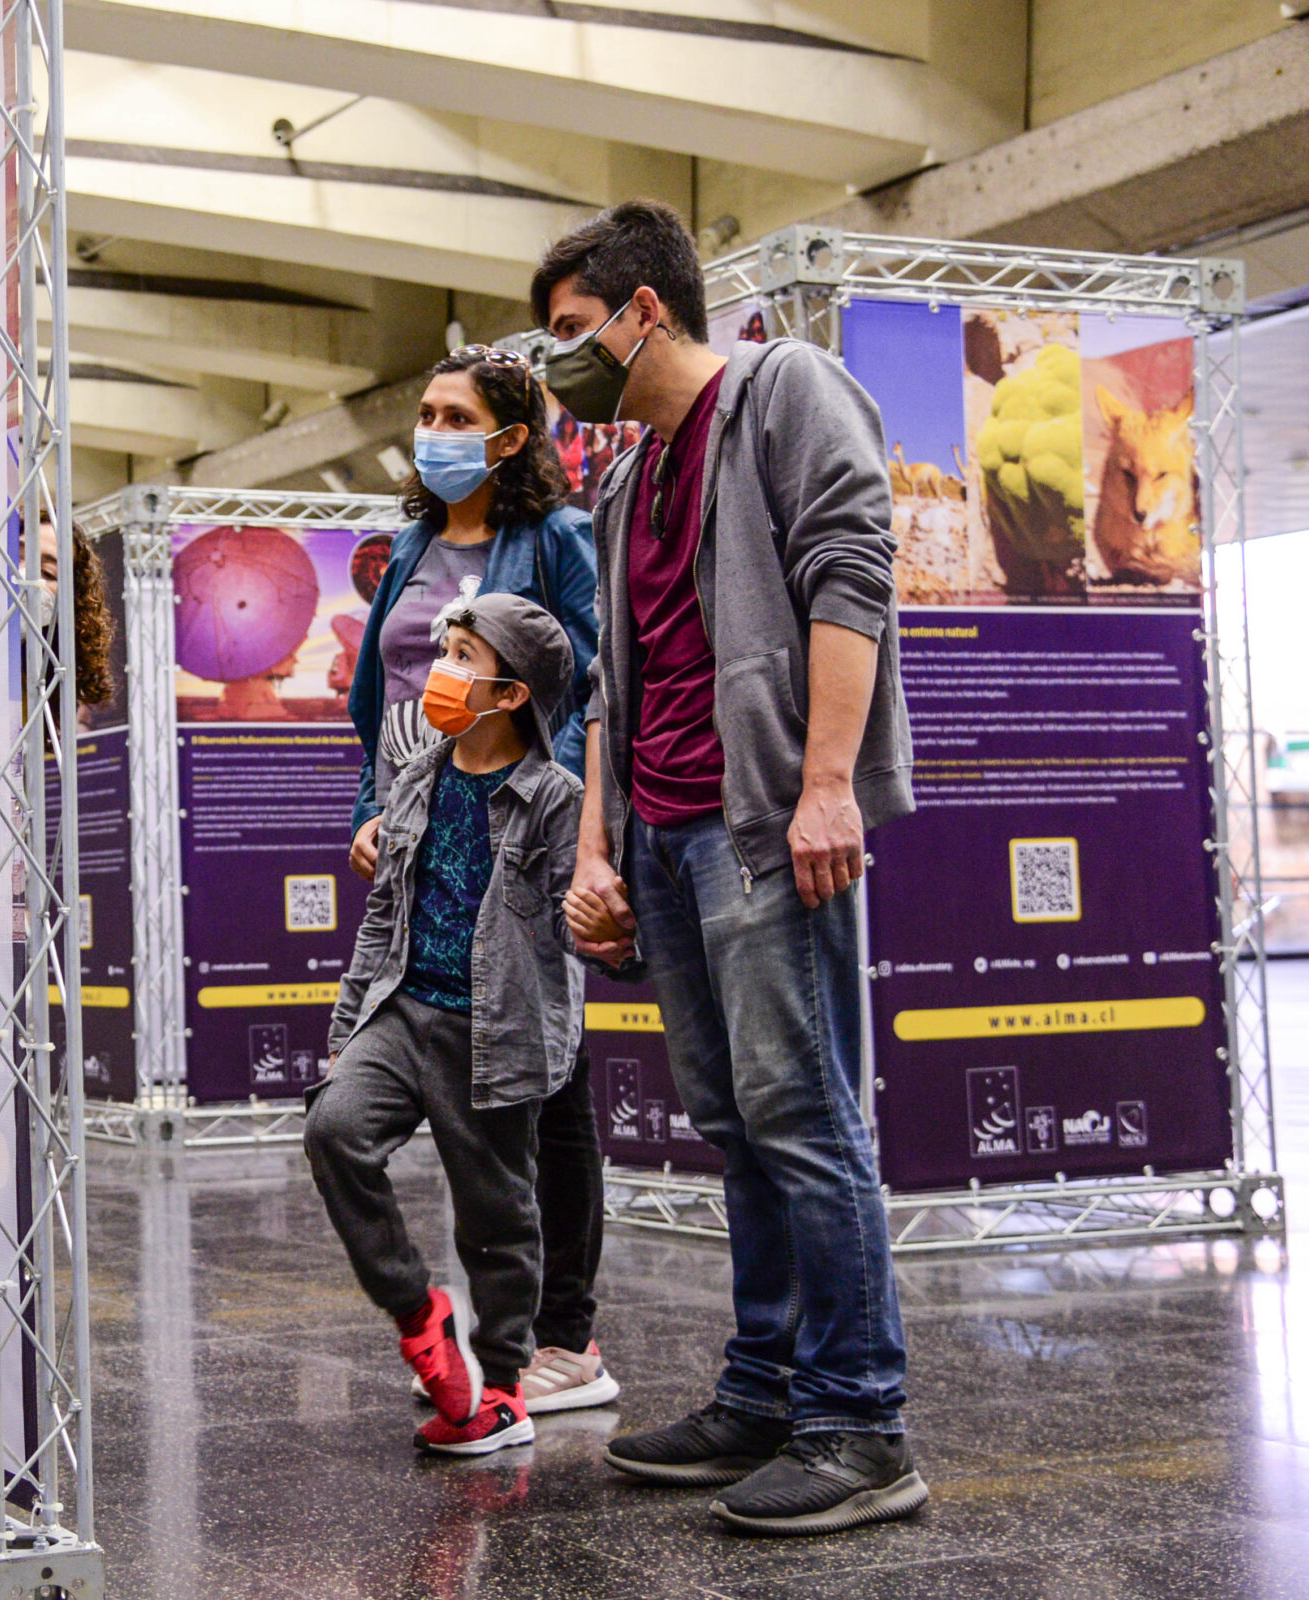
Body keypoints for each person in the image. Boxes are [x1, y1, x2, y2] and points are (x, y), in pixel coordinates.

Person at [532, 199, 925, 1535]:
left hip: (765, 819)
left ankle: (862, 1423)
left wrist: (827, 786)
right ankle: (763, 1391)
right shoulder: (627, 471)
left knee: (806, 1114)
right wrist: (599, 848)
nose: (560, 358)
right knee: (739, 1122)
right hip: (668, 832)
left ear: (648, 309)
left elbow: (849, 576)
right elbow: (606, 689)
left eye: (575, 330)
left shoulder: (784, 388)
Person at [344, 345, 618, 1419]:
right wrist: (375, 809)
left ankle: (567, 1336)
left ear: (510, 437)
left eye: (456, 414)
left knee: (545, 1078)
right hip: (425, 819)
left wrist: (587, 835)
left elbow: (594, 684)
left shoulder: (554, 538)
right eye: (424, 411)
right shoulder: (409, 541)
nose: (432, 429)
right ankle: (494, 1329)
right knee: (441, 1053)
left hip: (529, 817)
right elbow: (381, 695)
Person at [307, 592, 583, 1456]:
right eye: (447, 650)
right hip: (402, 1006)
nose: (442, 672)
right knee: (334, 1129)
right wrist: (352, 1021)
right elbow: (386, 915)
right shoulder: (419, 774)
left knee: (497, 1219)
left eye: (467, 658)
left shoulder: (555, 799)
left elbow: (583, 928)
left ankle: (499, 1388)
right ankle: (419, 1312)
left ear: (511, 697)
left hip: (493, 1031)